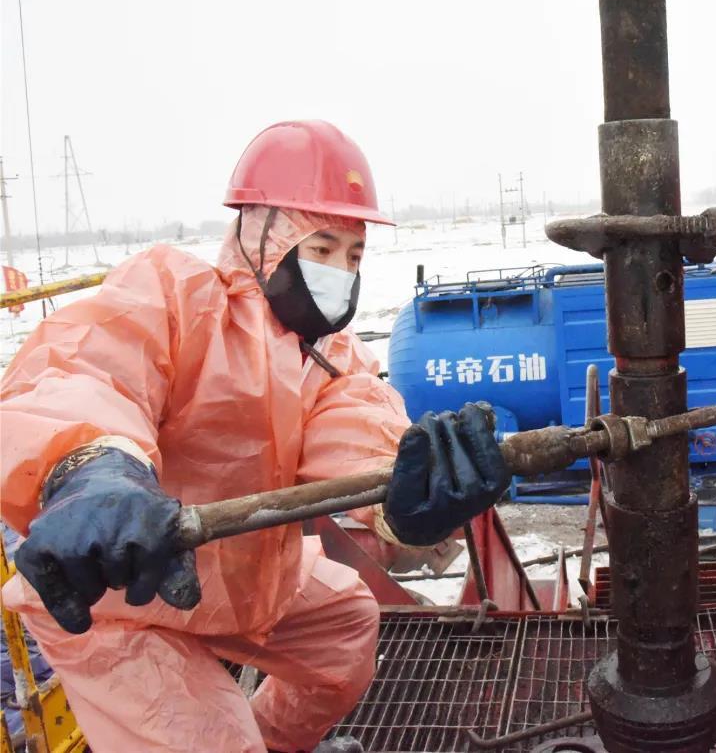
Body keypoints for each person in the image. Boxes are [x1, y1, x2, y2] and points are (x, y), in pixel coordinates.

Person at [0, 120, 510, 753]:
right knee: (213, 740)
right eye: (322, 247)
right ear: (263, 234)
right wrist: (91, 467)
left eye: (354, 255)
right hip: (118, 599)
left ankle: (276, 744)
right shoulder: (175, 296)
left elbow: (354, 427)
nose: (340, 271)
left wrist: (400, 496)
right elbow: (90, 369)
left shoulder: (328, 356)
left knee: (347, 631)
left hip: (241, 581)